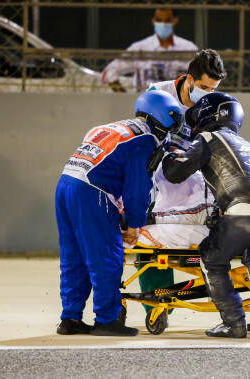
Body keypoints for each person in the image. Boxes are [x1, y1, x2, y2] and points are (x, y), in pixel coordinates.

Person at [155, 92, 250, 338]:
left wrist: (170, 150)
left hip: (244, 212)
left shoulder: (208, 137)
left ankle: (233, 323)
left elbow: (175, 173)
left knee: (211, 257)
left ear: (211, 114)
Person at [55, 90, 183, 336]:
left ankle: (69, 319)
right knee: (107, 257)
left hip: (65, 184)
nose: (169, 133)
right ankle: (106, 320)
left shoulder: (108, 127)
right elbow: (136, 188)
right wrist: (133, 223)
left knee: (74, 257)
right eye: (171, 125)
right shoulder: (144, 141)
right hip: (93, 191)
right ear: (161, 119)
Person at [136, 49, 227, 311]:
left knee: (191, 225)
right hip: (157, 171)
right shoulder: (159, 93)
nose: (207, 93)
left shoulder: (214, 102)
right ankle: (155, 303)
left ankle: (187, 286)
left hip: (190, 172)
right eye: (202, 86)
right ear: (189, 79)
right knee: (149, 228)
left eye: (213, 88)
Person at [101, 8, 198, 92]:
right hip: (147, 106)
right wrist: (125, 97)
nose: (163, 24)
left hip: (179, 106)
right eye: (159, 20)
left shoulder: (188, 48)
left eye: (167, 20)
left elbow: (200, 78)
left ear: (175, 21)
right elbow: (110, 72)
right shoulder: (140, 48)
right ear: (153, 21)